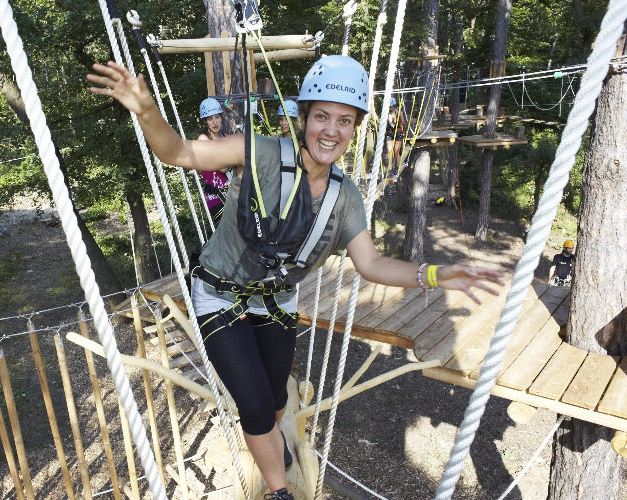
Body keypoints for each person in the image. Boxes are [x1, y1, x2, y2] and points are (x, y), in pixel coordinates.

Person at [87, 55, 503, 500]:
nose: (331, 130)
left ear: (354, 128)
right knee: (254, 405)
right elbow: (180, 153)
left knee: (275, 397)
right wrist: (147, 110)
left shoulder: (344, 197)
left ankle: (274, 438)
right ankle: (280, 491)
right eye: (322, 116)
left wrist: (436, 273)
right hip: (219, 294)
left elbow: (371, 264)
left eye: (344, 121)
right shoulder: (260, 153)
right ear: (303, 118)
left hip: (276, 301)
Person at [196, 97, 232, 225]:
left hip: (230, 191)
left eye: (217, 117)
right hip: (215, 195)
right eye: (210, 119)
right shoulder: (203, 139)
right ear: (205, 121)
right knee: (226, 229)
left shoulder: (225, 137)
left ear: (221, 117)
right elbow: (222, 167)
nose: (215, 122)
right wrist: (233, 158)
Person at [385, 97, 408, 174]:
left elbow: (403, 123)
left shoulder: (399, 112)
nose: (389, 108)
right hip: (389, 133)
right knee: (389, 151)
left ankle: (397, 167)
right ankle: (390, 169)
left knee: (396, 151)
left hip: (398, 133)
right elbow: (382, 123)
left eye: (391, 107)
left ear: (394, 106)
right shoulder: (386, 113)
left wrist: (401, 121)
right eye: (389, 107)